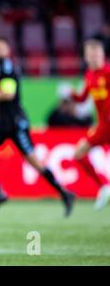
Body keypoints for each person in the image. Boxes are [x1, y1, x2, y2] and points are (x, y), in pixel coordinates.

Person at [0, 37, 75, 216]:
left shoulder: (6, 67)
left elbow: (9, 93)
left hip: (15, 123)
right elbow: (4, 93)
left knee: (34, 163)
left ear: (7, 50)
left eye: (0, 46)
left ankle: (64, 193)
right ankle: (0, 193)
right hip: (2, 121)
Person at [70, 39, 110, 210]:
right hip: (103, 126)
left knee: (79, 152)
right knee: (78, 154)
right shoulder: (89, 75)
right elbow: (83, 98)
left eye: (96, 54)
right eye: (90, 54)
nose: (93, 57)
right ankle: (104, 187)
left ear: (103, 55)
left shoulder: (108, 72)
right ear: (86, 57)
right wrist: (72, 95)